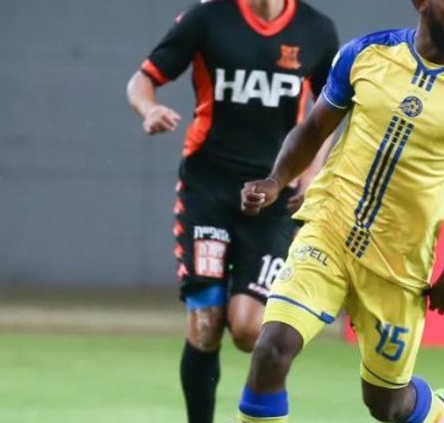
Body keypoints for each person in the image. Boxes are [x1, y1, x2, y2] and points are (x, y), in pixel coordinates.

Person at [237, 0, 444, 422]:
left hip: (398, 263)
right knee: (272, 348)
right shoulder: (366, 53)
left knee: (387, 404)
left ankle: (439, 413)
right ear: (421, 3)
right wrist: (276, 180)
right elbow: (314, 128)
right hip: (329, 230)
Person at [125, 1, 339, 423]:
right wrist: (149, 109)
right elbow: (142, 79)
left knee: (247, 329)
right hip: (209, 190)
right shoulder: (208, 18)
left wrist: (311, 171)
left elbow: (330, 110)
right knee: (205, 323)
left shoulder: (317, 30)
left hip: (272, 195)